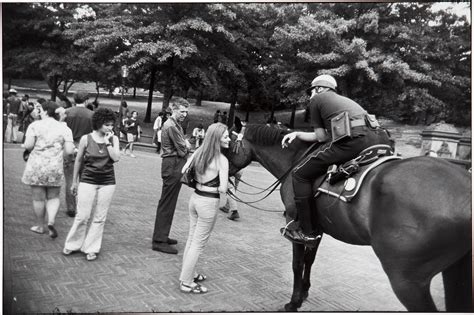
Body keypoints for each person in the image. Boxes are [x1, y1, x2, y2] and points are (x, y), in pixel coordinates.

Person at [280, 74, 392, 246]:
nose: (310, 96)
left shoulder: (318, 100)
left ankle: (307, 231)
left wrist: (297, 134)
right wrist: (296, 133)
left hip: (355, 141)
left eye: (312, 91)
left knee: (300, 174)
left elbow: (321, 137)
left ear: (319, 89)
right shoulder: (343, 101)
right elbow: (325, 136)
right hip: (380, 138)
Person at [63, 108, 120, 261]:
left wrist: (108, 143)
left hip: (107, 182)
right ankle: (73, 244)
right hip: (87, 180)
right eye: (107, 125)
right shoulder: (85, 139)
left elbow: (116, 158)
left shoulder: (113, 139)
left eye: (112, 125)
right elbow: (79, 160)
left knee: (100, 217)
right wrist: (74, 181)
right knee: (82, 215)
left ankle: (91, 247)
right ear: (99, 124)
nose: (110, 128)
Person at [179, 123, 230, 294]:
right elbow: (223, 189)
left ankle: (189, 274)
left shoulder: (198, 152)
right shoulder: (222, 160)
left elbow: (184, 170)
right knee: (198, 244)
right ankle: (186, 282)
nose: (229, 139)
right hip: (208, 203)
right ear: (217, 139)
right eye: (226, 136)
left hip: (194, 199)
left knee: (192, 239)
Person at [21, 101, 75, 237]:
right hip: (55, 166)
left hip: (36, 166)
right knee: (53, 197)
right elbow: (69, 151)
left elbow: (28, 145)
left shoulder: (34, 126)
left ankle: (40, 225)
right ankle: (51, 221)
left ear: (45, 111)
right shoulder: (65, 128)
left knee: (38, 199)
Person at [152, 98, 191, 254]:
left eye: (186, 112)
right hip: (173, 164)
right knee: (167, 202)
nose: (184, 114)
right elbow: (183, 149)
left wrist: (185, 145)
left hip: (174, 163)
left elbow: (184, 146)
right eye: (182, 111)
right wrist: (186, 145)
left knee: (169, 201)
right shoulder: (171, 126)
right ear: (173, 110)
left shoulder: (174, 125)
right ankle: (159, 240)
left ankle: (162, 235)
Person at [63, 91, 94, 217]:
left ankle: (71, 207)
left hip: (69, 147)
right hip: (86, 149)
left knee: (70, 179)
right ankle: (82, 207)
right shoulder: (92, 115)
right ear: (86, 100)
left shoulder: (67, 112)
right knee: (85, 181)